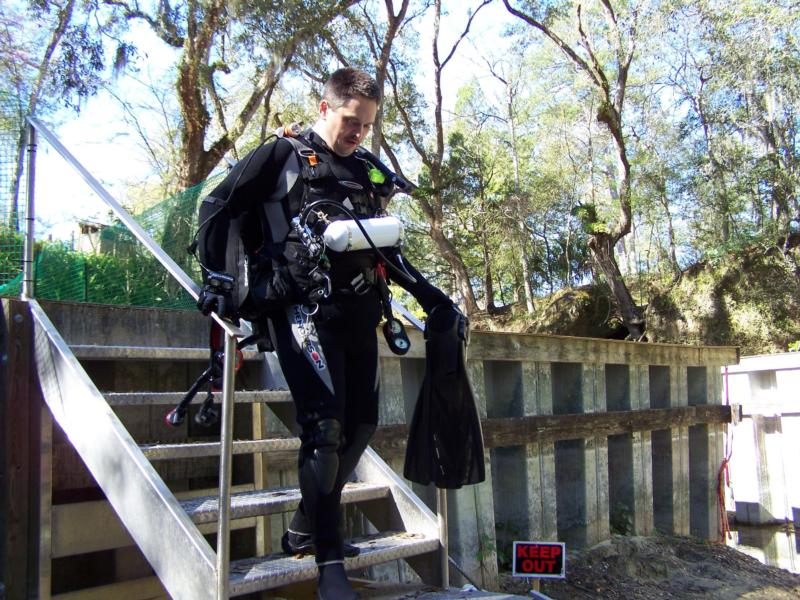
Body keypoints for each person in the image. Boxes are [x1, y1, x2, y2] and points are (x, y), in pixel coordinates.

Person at [194, 67, 453, 600]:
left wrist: (430, 295)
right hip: (300, 314)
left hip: (358, 316)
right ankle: (327, 562)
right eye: (350, 121)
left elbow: (383, 246)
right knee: (325, 431)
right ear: (323, 107)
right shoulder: (281, 156)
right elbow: (216, 206)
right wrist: (219, 281)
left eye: (367, 125)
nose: (358, 132)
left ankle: (305, 526)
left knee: (362, 425)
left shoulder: (365, 172)